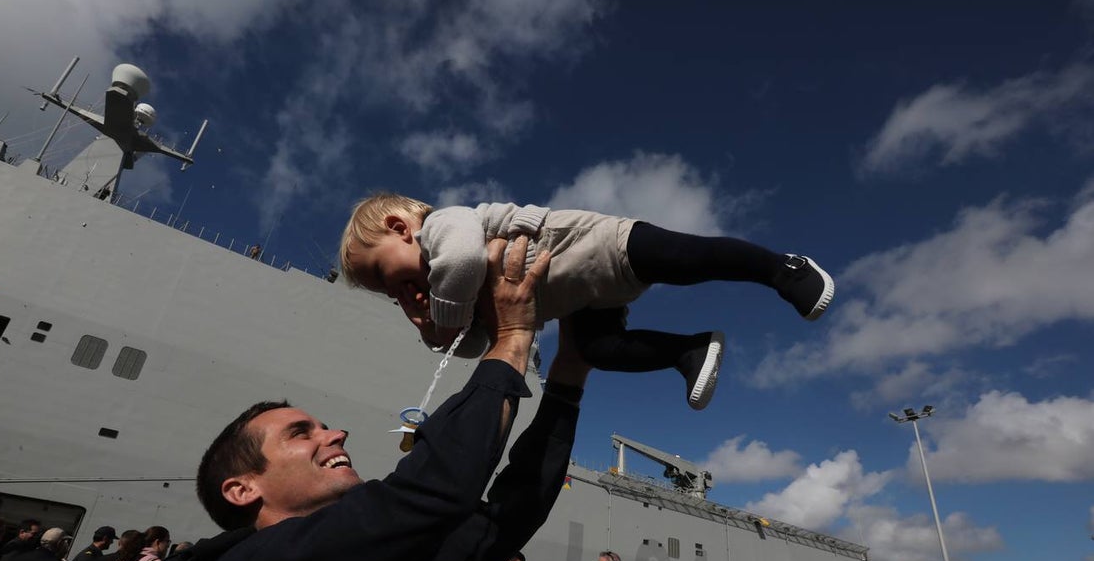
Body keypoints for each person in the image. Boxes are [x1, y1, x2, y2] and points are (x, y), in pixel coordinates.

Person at [166, 236, 592, 561]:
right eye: (302, 433)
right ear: (243, 488)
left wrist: (569, 378)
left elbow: (502, 519)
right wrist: (511, 338)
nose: (336, 433)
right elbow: (429, 493)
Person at [339, 193, 834, 411]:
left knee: (690, 257)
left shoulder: (445, 228)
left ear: (401, 229)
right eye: (388, 296)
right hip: (583, 300)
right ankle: (688, 351)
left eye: (388, 278)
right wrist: (431, 330)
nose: (399, 294)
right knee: (599, 350)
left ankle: (781, 268)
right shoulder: (449, 293)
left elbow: (467, 259)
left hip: (596, 243)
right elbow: (473, 344)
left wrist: (440, 320)